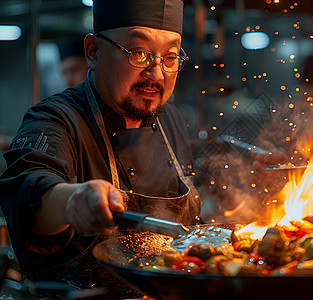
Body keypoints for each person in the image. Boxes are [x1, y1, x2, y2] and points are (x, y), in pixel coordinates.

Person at [0, 0, 200, 297]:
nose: (156, 74)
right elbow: (32, 193)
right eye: (139, 53)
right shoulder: (55, 118)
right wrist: (73, 201)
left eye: (170, 57)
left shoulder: (169, 118)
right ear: (94, 51)